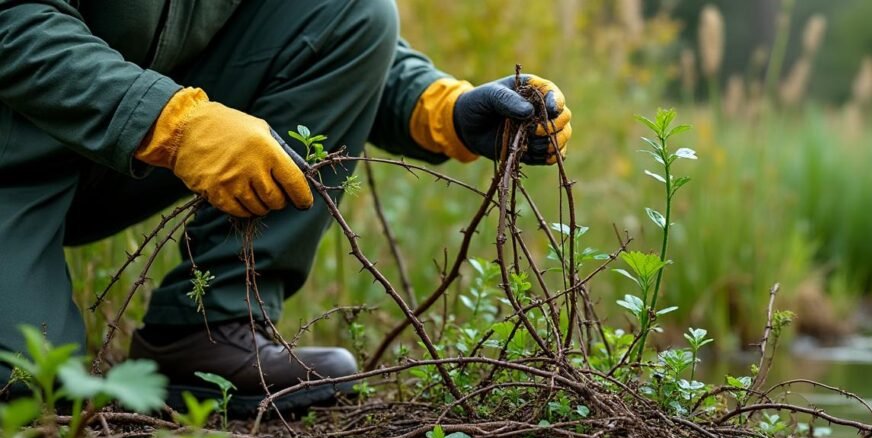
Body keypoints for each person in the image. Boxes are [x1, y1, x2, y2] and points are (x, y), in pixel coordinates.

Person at [0, 0, 572, 416]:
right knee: (26, 388)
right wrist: (172, 123)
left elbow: (326, 25)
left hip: (105, 150)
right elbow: (14, 20)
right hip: (14, 157)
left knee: (358, 13)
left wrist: (442, 110)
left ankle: (208, 325)